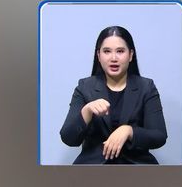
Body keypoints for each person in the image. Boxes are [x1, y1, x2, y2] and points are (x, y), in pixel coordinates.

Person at [59, 26, 168, 164]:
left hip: (136, 167)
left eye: (120, 51)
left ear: (131, 55)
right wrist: (87, 111)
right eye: (107, 51)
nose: (114, 58)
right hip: (93, 169)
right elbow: (68, 138)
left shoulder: (146, 87)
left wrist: (129, 131)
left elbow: (159, 136)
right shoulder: (84, 87)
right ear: (98, 55)